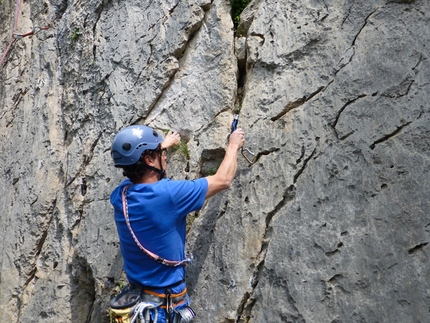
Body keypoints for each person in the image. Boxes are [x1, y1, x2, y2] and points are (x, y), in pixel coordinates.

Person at [109, 124, 245, 322]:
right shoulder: (169, 195)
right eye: (159, 153)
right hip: (164, 308)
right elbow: (223, 180)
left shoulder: (120, 195)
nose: (164, 156)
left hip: (138, 305)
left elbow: (139, 168)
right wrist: (233, 145)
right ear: (148, 159)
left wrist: (162, 146)